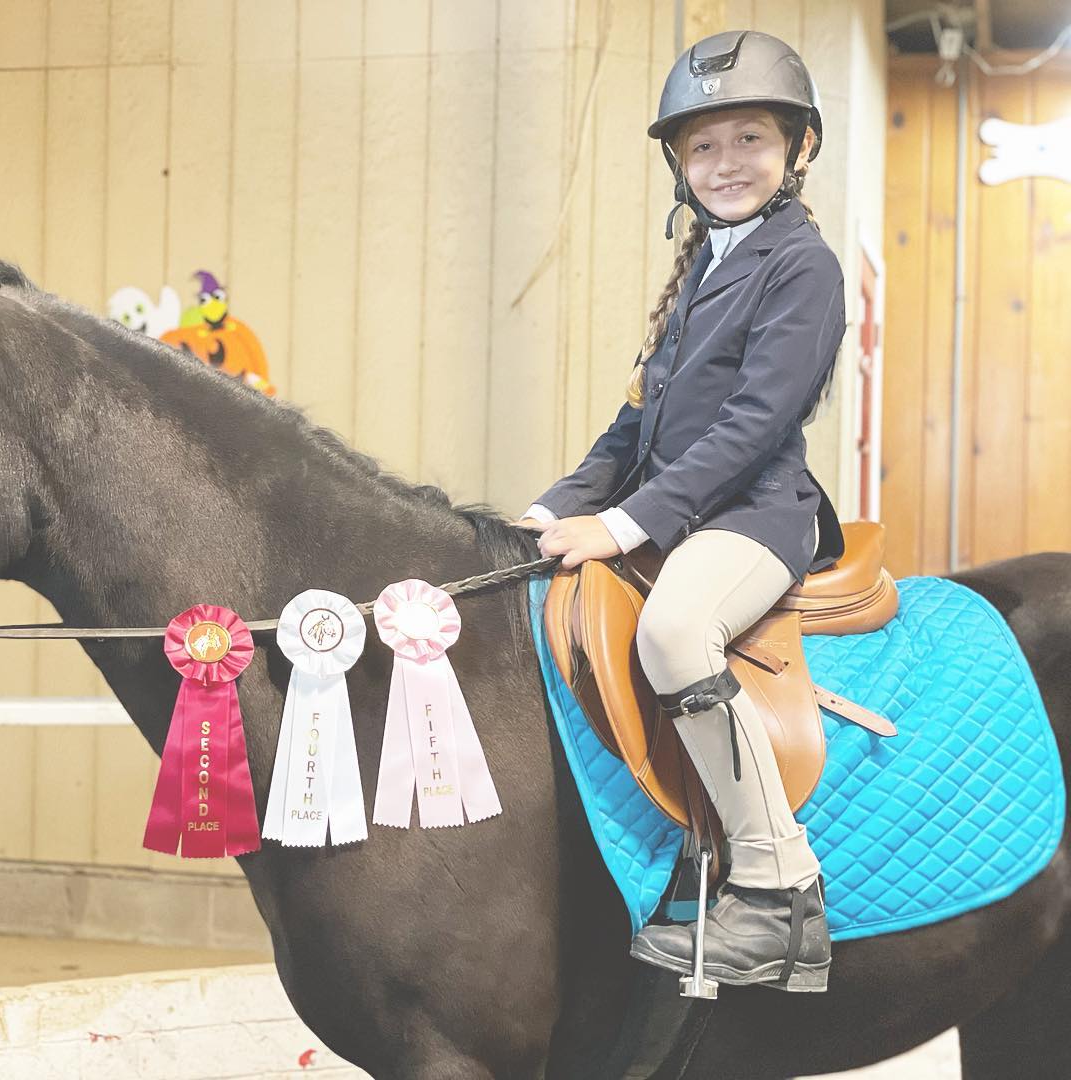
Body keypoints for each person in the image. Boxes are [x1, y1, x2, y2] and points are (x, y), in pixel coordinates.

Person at [515, 30, 847, 993]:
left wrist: (623, 527)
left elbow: (752, 428)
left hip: (754, 517)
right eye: (704, 147)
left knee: (672, 635)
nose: (725, 163)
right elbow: (633, 428)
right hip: (687, 510)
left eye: (749, 139)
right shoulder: (703, 265)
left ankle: (782, 893)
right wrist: (549, 512)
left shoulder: (803, 267)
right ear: (679, 164)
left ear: (796, 150)